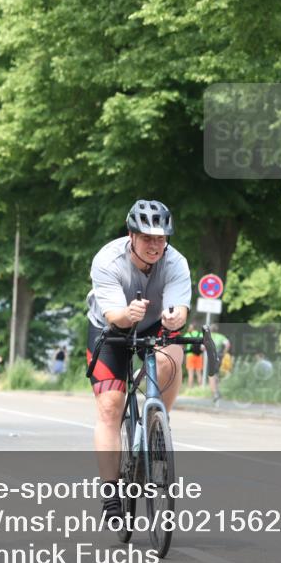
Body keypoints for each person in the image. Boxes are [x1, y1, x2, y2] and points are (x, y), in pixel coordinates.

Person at [86, 199, 191, 521]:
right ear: (131, 235)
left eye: (161, 238)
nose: (155, 245)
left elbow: (180, 310)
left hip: (154, 324)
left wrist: (176, 319)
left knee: (172, 355)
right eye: (147, 238)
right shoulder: (107, 260)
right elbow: (114, 314)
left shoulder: (176, 262)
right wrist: (125, 315)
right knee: (110, 407)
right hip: (110, 325)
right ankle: (110, 495)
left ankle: (158, 425)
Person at [208, 325, 231, 405]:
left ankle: (215, 394)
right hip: (219, 355)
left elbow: (202, 347)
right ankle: (217, 391)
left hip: (211, 356)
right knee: (216, 373)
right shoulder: (221, 337)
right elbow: (228, 344)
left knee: (211, 375)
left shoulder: (208, 336)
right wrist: (224, 352)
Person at [183, 323, 204, 388]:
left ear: (191, 328)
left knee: (190, 373)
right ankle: (201, 387)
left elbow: (181, 344)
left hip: (190, 355)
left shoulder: (187, 334)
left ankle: (190, 388)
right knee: (199, 372)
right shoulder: (201, 334)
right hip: (199, 355)